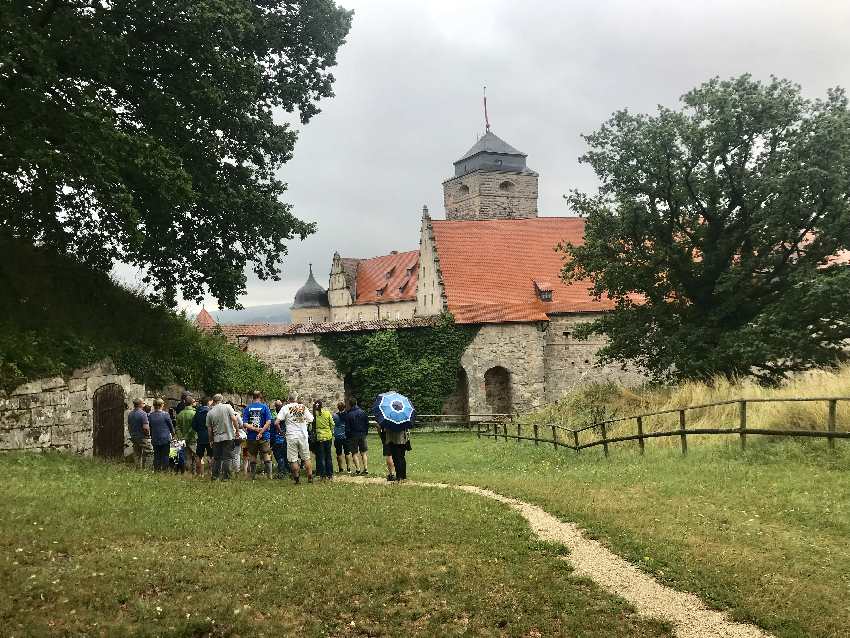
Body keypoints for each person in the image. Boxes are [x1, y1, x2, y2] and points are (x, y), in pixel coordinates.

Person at [275, 395, 313, 484]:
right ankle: (310, 477)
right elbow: (311, 419)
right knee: (306, 458)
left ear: (288, 400)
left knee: (293, 459)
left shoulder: (285, 408)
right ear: (296, 399)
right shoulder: (303, 407)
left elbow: (276, 422)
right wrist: (303, 422)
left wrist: (281, 432)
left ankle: (296, 478)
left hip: (291, 436)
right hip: (303, 435)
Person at [206, 394, 240, 481]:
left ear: (213, 401)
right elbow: (234, 419)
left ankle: (215, 477)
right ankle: (226, 477)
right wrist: (237, 431)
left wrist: (211, 440)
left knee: (217, 458)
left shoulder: (210, 412)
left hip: (217, 438)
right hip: (228, 436)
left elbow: (209, 430)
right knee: (227, 458)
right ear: (221, 399)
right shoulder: (227, 407)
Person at [243, 391, 274, 480]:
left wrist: (255, 429)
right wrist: (261, 431)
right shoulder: (265, 407)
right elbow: (268, 421)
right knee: (266, 454)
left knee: (252, 455)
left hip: (251, 436)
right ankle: (269, 476)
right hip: (264, 435)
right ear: (260, 397)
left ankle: (253, 476)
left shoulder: (248, 408)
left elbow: (245, 424)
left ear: (253, 397)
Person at [148, 398, 176, 472]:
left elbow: (150, 427)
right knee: (165, 455)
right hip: (165, 438)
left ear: (154, 406)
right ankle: (164, 470)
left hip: (155, 437)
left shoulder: (150, 415)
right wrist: (173, 435)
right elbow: (171, 427)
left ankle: (157, 470)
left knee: (156, 455)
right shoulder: (166, 415)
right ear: (162, 405)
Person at [345, 398, 369, 475]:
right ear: (356, 403)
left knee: (354, 453)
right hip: (362, 434)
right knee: (363, 452)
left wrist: (348, 436)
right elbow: (367, 424)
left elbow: (347, 428)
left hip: (353, 435)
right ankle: (365, 468)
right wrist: (365, 432)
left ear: (350, 404)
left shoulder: (349, 414)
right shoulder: (363, 412)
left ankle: (358, 469)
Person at [127, 398, 152, 469]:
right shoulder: (143, 414)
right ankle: (147, 469)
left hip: (134, 436)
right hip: (142, 437)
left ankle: (138, 469)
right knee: (149, 452)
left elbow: (129, 426)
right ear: (140, 404)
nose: (144, 405)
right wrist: (148, 435)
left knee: (137, 453)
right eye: (143, 403)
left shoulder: (130, 414)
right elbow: (145, 427)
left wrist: (132, 434)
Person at [175, 397, 198, 475]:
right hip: (193, 438)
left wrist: (181, 436)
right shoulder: (195, 413)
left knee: (187, 457)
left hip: (183, 439)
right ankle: (195, 472)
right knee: (196, 456)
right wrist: (187, 435)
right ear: (192, 403)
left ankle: (187, 473)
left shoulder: (180, 414)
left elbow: (177, 427)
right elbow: (194, 427)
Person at [312, 400, 334, 480]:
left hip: (319, 437)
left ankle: (322, 474)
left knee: (321, 456)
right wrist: (330, 431)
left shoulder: (314, 415)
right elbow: (332, 424)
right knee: (328, 456)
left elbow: (312, 427)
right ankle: (330, 474)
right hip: (328, 436)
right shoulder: (327, 413)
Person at [191, 397, 213, 477]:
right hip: (210, 436)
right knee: (211, 455)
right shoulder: (210, 412)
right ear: (208, 402)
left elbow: (193, 425)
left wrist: (199, 430)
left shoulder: (197, 412)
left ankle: (200, 473)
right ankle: (211, 472)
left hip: (200, 437)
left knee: (199, 456)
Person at [332, 401, 351, 474]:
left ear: (338, 408)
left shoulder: (335, 416)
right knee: (347, 453)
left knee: (339, 453)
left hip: (337, 436)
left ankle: (340, 468)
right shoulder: (347, 415)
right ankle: (348, 468)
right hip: (346, 436)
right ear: (344, 407)